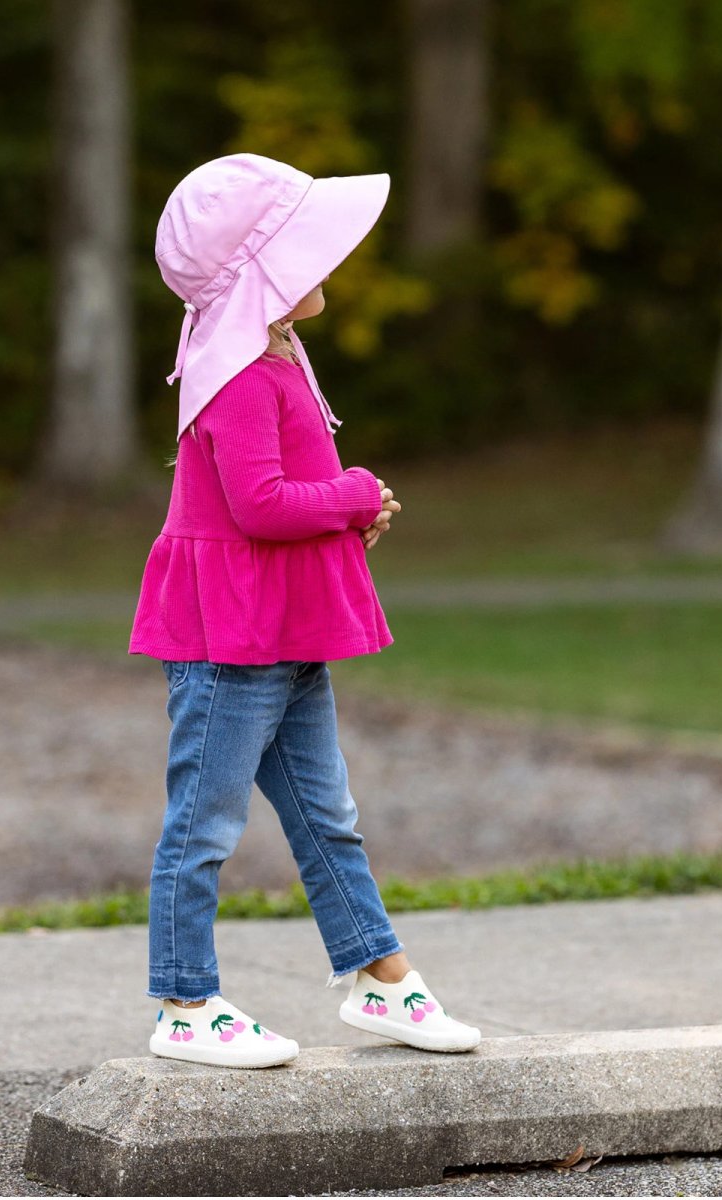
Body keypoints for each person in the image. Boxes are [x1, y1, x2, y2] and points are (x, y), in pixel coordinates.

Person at [129, 152, 481, 1069]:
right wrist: (355, 493)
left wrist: (347, 511)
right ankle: (181, 1003)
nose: (327, 265)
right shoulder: (242, 372)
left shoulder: (277, 358)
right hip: (229, 643)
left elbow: (283, 499)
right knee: (202, 826)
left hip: (280, 630)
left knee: (329, 816)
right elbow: (259, 506)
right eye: (305, 250)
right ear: (261, 276)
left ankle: (380, 978)